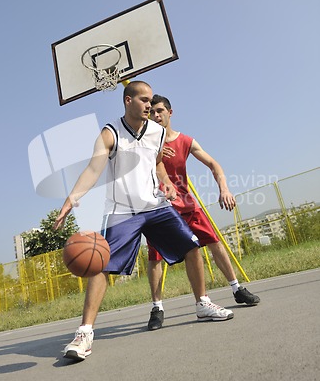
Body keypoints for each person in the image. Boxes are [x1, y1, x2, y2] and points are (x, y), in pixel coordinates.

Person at [54, 81, 234, 361]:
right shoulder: (110, 133)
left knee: (191, 246)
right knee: (99, 264)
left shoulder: (157, 132)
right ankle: (85, 333)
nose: (149, 105)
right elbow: (93, 168)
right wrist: (71, 198)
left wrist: (165, 183)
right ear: (128, 101)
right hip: (123, 210)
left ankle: (202, 304)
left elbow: (158, 162)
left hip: (155, 205)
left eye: (151, 100)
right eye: (143, 99)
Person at [146, 94, 260, 331]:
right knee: (155, 257)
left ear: (170, 112)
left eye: (159, 111)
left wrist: (224, 188)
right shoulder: (144, 143)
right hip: (159, 207)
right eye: (151, 112)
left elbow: (214, 164)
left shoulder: (185, 141)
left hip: (186, 204)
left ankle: (236, 288)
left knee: (214, 242)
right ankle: (157, 307)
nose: (155, 116)